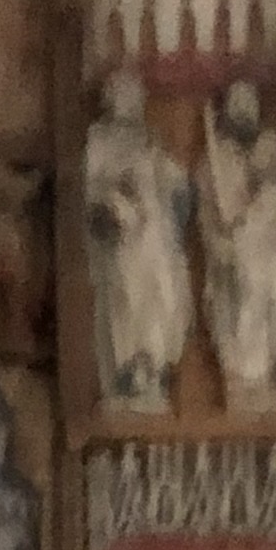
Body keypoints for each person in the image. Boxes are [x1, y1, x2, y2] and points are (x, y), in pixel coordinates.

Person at [81, 65, 195, 413]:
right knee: (127, 301)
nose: (130, 101)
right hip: (124, 237)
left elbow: (172, 180)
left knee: (162, 298)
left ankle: (154, 370)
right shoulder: (100, 140)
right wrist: (117, 198)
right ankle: (130, 373)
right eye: (123, 94)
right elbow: (92, 190)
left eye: (135, 95)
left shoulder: (150, 140)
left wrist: (179, 188)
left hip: (157, 235)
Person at [196, 80, 276, 416]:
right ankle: (247, 382)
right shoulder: (216, 161)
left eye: (248, 105)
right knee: (248, 298)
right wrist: (224, 239)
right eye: (237, 106)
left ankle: (271, 377)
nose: (243, 113)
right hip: (239, 253)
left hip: (275, 247)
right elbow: (209, 218)